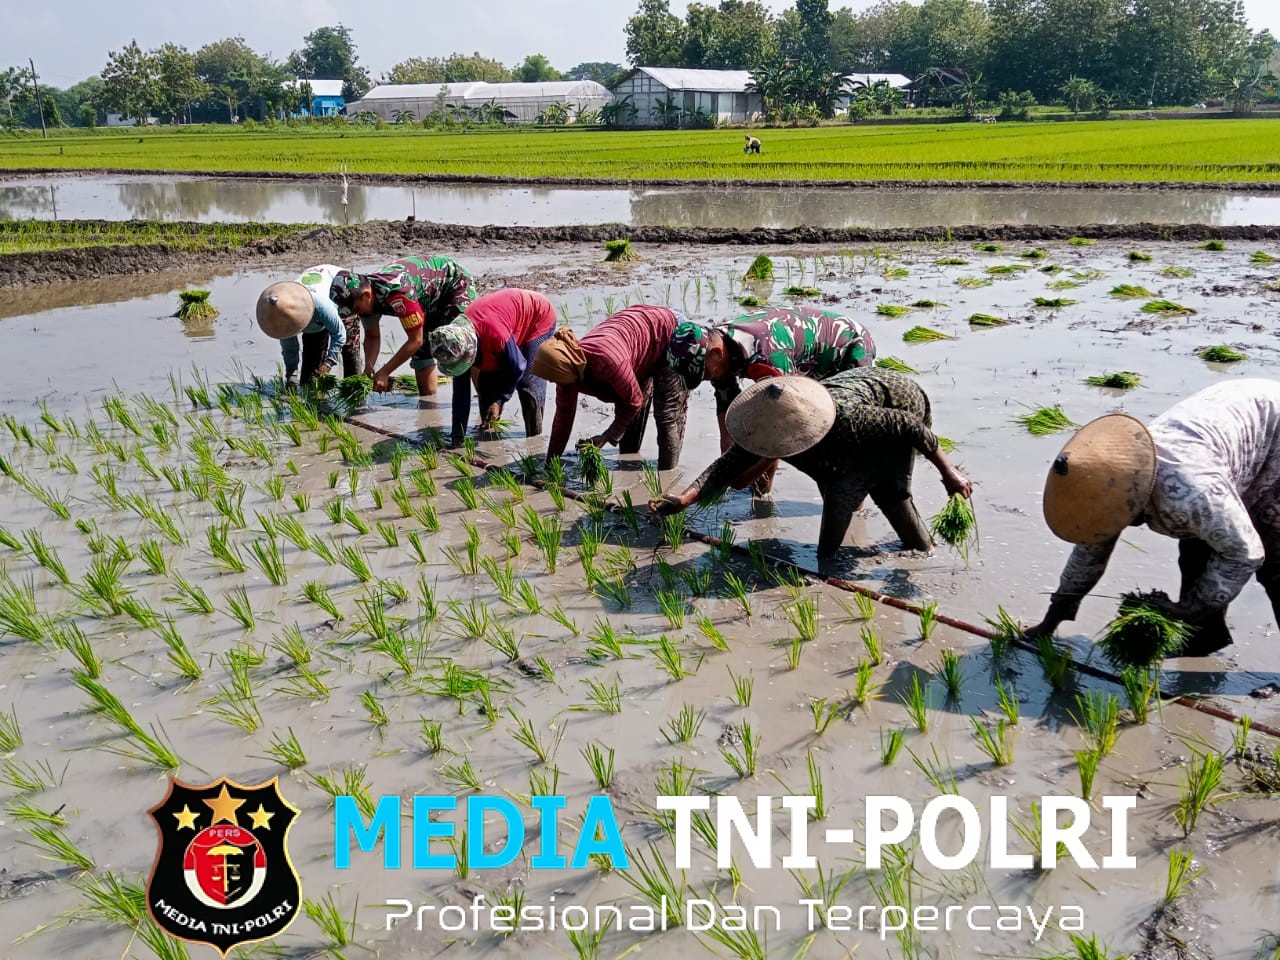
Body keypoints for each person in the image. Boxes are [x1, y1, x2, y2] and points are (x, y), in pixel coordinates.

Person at [1026, 380, 1280, 656]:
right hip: (1227, 429)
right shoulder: (1109, 483)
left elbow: (1246, 553)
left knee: (1276, 565)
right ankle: (1202, 639)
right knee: (1197, 547)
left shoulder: (1190, 493)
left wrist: (1189, 609)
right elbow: (1089, 554)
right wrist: (1051, 621)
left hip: (1273, 435)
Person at [651, 368, 972, 559]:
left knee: (889, 494)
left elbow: (908, 427)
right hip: (853, 408)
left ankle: (924, 550)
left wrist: (948, 472)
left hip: (900, 401)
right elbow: (727, 467)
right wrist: (684, 499)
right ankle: (832, 550)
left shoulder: (847, 419)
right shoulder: (769, 424)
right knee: (838, 483)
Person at [531, 304, 689, 469]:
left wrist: (607, 436)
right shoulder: (567, 376)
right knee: (625, 414)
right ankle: (629, 467)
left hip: (671, 332)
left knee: (666, 415)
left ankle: (667, 480)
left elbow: (634, 401)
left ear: (563, 368)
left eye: (553, 377)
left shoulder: (608, 362)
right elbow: (563, 420)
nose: (552, 382)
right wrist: (551, 463)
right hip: (638, 338)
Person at [332, 255, 476, 396]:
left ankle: (486, 401)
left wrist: (385, 372)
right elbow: (372, 336)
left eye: (356, 309)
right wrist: (369, 367)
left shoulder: (397, 293)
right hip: (424, 300)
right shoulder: (364, 301)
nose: (357, 313)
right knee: (422, 352)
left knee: (462, 346)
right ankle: (430, 407)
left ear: (366, 295)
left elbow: (415, 340)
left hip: (453, 285)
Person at [429, 288, 557, 446]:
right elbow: (461, 394)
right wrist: (457, 439)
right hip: (505, 322)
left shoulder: (494, 334)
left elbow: (518, 366)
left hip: (537, 317)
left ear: (470, 348)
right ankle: (490, 435)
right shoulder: (452, 341)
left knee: (527, 385)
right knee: (486, 385)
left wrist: (499, 401)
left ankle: (534, 441)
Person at [255, 264, 362, 388]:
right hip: (314, 315)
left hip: (342, 289)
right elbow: (290, 348)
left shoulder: (321, 306)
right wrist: (291, 377)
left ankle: (355, 395)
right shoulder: (282, 315)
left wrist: (328, 363)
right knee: (309, 381)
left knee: (349, 352)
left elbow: (339, 334)